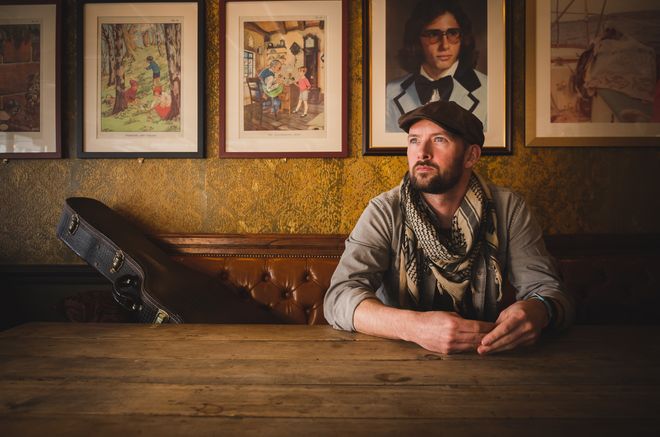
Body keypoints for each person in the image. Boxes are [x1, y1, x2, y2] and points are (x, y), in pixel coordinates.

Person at [324, 101, 575, 355]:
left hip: (487, 357)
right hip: (395, 359)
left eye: (439, 140)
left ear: (471, 156)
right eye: (414, 141)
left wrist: (537, 310)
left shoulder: (508, 208)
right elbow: (338, 298)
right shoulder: (384, 211)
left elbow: (548, 291)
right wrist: (415, 327)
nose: (422, 152)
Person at [386, 0, 487, 132]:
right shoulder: (390, 92)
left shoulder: (488, 90)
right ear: (416, 39)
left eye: (452, 33)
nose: (444, 45)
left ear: (463, 37)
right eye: (433, 34)